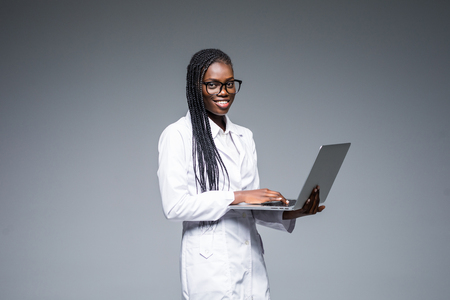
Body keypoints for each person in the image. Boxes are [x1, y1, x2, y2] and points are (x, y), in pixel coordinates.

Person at [157, 49, 325, 300]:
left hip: (250, 261)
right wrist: (237, 195)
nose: (223, 92)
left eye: (229, 84)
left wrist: (295, 211)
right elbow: (174, 207)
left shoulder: (244, 136)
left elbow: (250, 208)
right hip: (210, 268)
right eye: (213, 84)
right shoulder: (178, 135)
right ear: (196, 86)